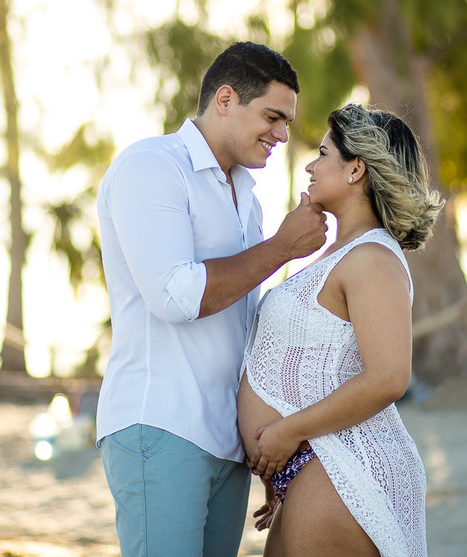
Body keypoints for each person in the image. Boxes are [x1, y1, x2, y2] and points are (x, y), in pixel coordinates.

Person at [95, 41, 329, 557]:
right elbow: (175, 296)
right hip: (160, 426)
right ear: (225, 99)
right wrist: (282, 248)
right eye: (272, 116)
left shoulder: (246, 196)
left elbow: (245, 334)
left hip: (228, 442)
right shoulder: (152, 166)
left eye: (287, 122)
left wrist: (264, 444)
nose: (283, 134)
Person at [238, 103, 445, 557]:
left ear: (356, 170)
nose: (310, 165)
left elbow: (390, 377)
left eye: (323, 153)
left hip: (343, 466)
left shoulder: (372, 259)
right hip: (315, 467)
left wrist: (287, 432)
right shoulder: (341, 254)